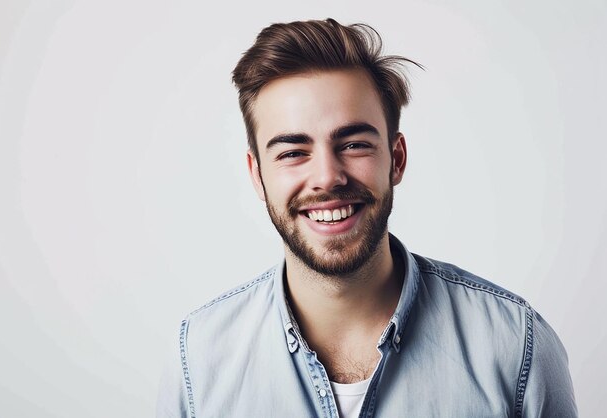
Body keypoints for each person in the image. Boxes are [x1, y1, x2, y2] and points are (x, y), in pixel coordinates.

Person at [156, 18, 577, 417]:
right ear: (257, 175)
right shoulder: (199, 359)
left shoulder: (515, 345)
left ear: (396, 159)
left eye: (354, 144)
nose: (327, 177)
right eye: (292, 153)